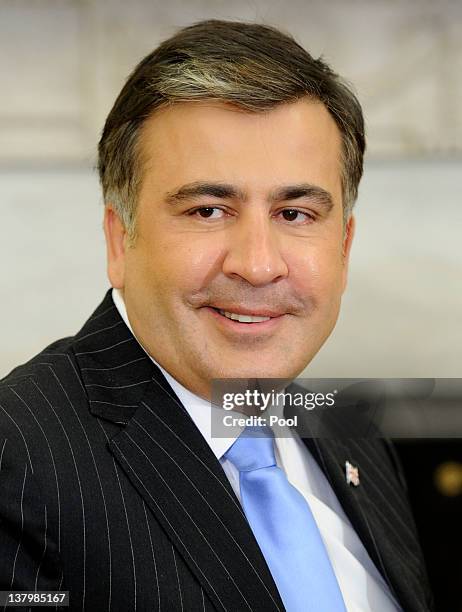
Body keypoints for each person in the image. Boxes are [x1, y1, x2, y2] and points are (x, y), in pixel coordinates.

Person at [0, 19, 433, 612]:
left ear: (344, 247)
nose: (258, 266)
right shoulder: (17, 459)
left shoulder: (352, 434)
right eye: (208, 211)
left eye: (296, 214)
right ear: (119, 240)